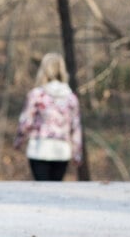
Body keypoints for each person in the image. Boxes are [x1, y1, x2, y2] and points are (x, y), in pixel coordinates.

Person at [14, 53, 83, 181]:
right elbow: (76, 127)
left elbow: (26, 122)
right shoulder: (71, 98)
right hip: (62, 150)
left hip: (39, 148)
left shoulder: (36, 95)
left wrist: (19, 140)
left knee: (42, 188)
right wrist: (77, 152)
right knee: (55, 187)